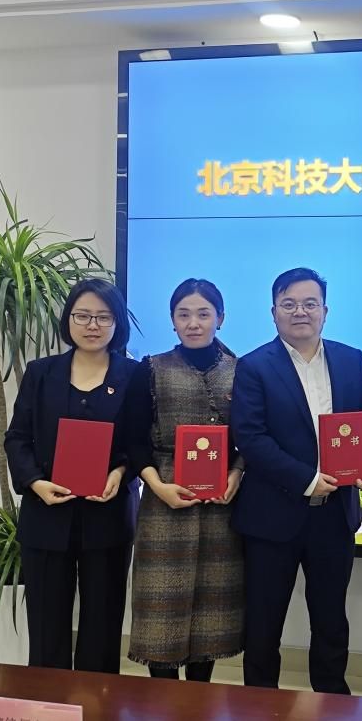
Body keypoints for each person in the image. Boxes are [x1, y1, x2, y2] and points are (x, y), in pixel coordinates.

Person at [230, 267, 362, 694]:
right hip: (272, 517)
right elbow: (251, 438)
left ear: (325, 311)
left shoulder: (350, 359)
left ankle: (332, 700)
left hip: (334, 516)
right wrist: (306, 479)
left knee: (331, 619)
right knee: (264, 622)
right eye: (290, 304)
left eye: (310, 303)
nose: (301, 312)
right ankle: (260, 703)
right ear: (274, 312)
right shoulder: (254, 366)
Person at [3, 278, 138, 672]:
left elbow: (141, 441)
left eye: (103, 317)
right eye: (83, 315)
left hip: (107, 517)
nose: (92, 325)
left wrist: (121, 472)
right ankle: (48, 702)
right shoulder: (41, 373)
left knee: (103, 627)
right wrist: (35, 482)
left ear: (117, 322)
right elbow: (17, 437)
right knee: (46, 629)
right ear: (68, 320)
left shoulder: (134, 375)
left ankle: (99, 700)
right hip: (47, 516)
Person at [125, 278, 244, 681]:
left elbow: (251, 434)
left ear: (220, 318)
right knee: (162, 610)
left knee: (211, 611)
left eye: (203, 314)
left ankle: (199, 696)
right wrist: (157, 485)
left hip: (221, 504)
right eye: (184, 314)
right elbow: (133, 438)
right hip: (165, 498)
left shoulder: (240, 370)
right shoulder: (151, 368)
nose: (194, 323)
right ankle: (163, 697)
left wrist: (236, 473)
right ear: (173, 320)